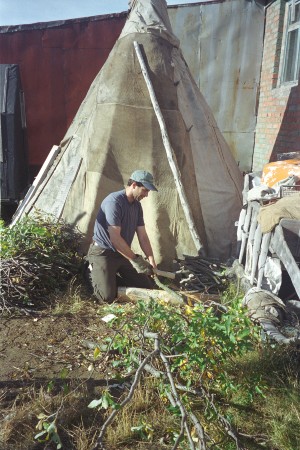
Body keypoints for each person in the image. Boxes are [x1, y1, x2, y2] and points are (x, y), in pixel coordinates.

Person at [86, 170, 158, 303]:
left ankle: (110, 278)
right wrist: (136, 260)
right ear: (134, 185)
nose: (147, 195)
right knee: (106, 297)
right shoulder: (114, 202)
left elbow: (142, 236)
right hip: (103, 252)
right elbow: (115, 239)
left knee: (147, 287)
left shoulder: (137, 206)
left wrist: (151, 259)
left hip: (122, 253)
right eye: (145, 190)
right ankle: (92, 270)